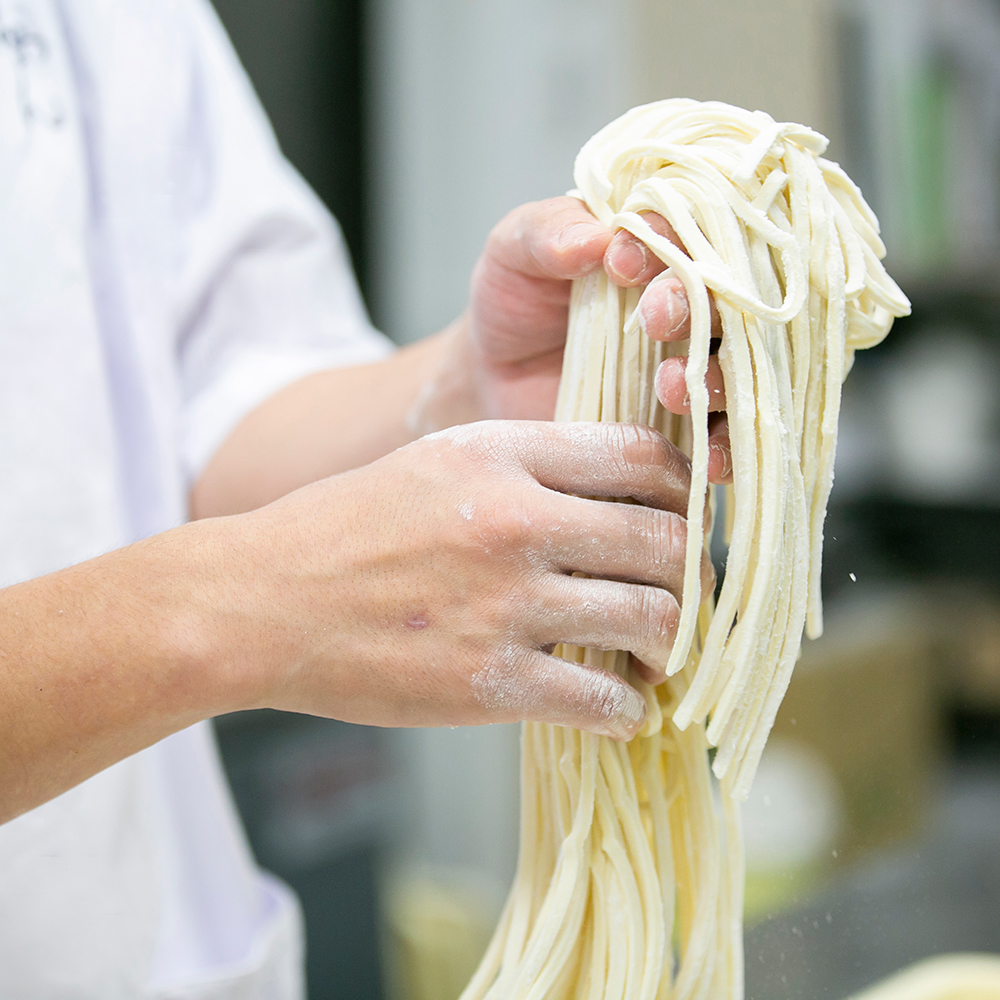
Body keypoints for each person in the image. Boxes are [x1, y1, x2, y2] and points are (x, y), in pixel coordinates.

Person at [0, 0, 730, 996]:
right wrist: (249, 605)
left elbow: (202, 407)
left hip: (142, 940)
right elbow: (242, 567)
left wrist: (474, 389)